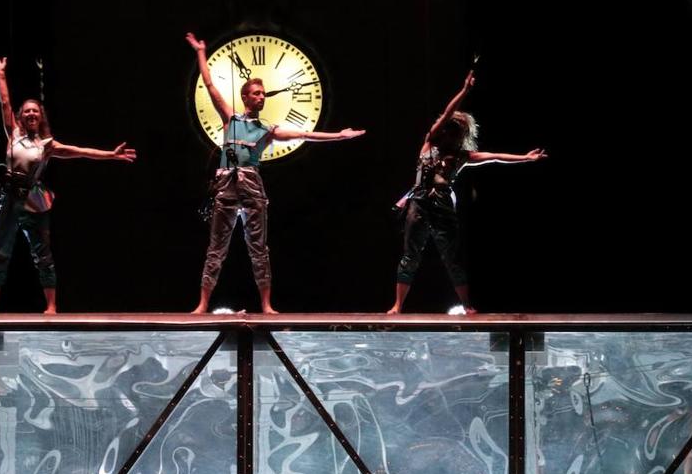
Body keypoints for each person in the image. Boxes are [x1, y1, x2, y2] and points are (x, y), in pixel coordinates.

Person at [186, 32, 366, 314]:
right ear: (246, 96)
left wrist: (339, 136)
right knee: (216, 246)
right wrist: (200, 52)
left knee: (258, 247)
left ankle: (267, 305)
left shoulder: (267, 130)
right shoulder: (230, 118)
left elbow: (305, 133)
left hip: (251, 186)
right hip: (226, 185)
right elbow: (209, 84)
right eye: (257, 93)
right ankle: (203, 303)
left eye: (263, 93)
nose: (262, 97)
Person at [0, 58, 136, 314]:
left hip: (34, 199)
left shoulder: (48, 145)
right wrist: (1, 74)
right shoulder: (14, 135)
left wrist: (111, 155)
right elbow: (5, 103)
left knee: (43, 255)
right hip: (9, 197)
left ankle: (51, 306)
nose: (31, 113)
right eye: (27, 111)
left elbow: (80, 152)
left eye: (35, 111)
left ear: (40, 117)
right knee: (0, 253)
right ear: (21, 117)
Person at [387, 70, 546, 314]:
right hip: (418, 202)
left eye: (457, 131)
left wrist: (525, 158)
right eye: (450, 128)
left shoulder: (462, 157)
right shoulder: (429, 142)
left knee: (451, 257)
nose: (451, 133)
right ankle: (397, 306)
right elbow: (449, 112)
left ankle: (467, 305)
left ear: (462, 136)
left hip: (441, 207)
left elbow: (495, 157)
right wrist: (464, 90)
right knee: (411, 256)